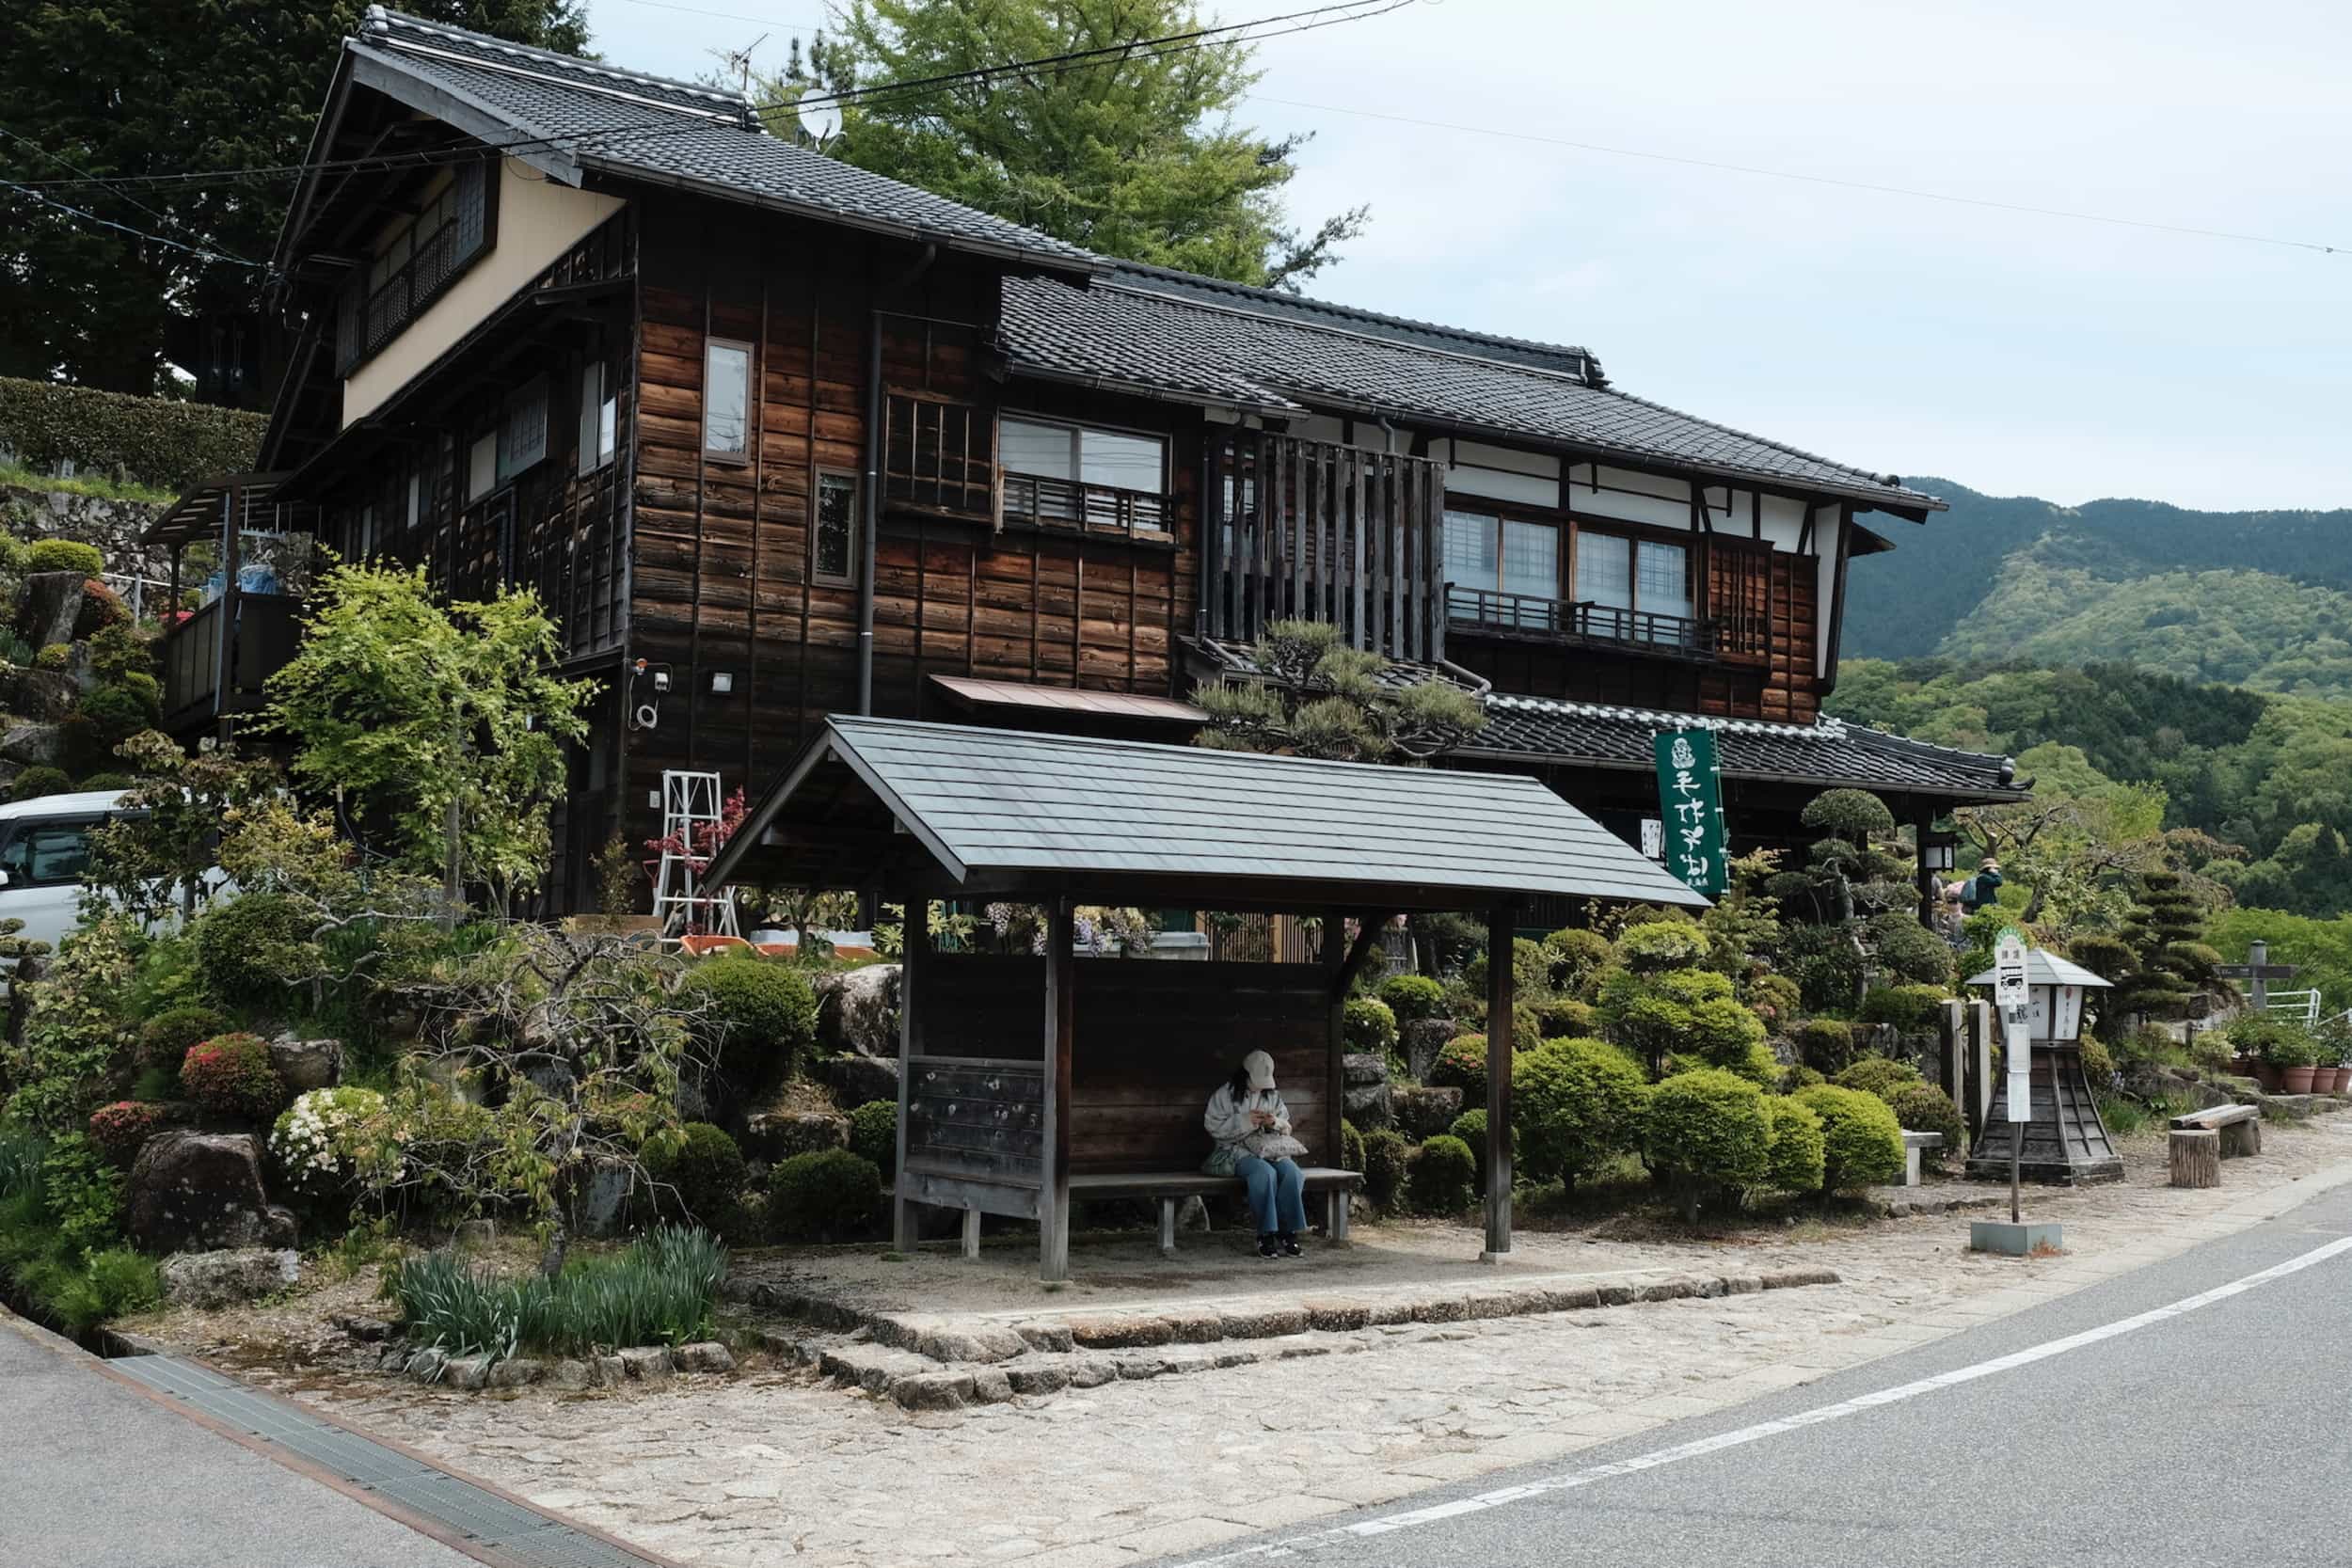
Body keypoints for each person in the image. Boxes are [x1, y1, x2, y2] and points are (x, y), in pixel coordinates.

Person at [1203, 1049, 1308, 1259]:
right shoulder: (1225, 1095)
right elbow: (1212, 1126)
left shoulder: (1272, 1094)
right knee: (1264, 1173)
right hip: (1236, 1151)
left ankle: (1288, 1232)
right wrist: (1243, 1121)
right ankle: (1266, 1234)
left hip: (1268, 1149)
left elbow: (1286, 1125)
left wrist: (1273, 1122)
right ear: (1246, 1074)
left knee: (1293, 1173)